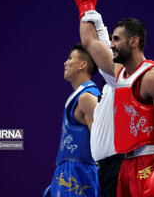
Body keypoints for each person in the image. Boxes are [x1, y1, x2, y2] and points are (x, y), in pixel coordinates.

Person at [68, 0, 154, 197]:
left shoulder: (153, 77)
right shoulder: (119, 73)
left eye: (117, 40)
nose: (111, 45)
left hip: (149, 161)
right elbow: (90, 43)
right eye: (111, 39)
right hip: (126, 164)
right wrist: (85, 5)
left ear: (134, 42)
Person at [67, 0, 124, 197]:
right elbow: (102, 49)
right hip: (107, 168)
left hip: (118, 166)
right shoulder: (112, 84)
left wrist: (86, 7)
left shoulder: (123, 80)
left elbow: (92, 44)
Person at [43, 44, 101, 197]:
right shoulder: (79, 97)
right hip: (66, 171)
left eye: (70, 59)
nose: (65, 63)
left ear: (83, 65)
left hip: (79, 173)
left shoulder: (88, 98)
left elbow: (101, 144)